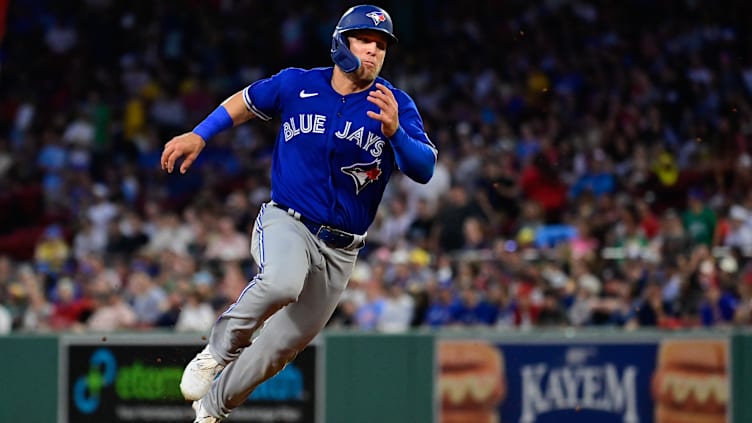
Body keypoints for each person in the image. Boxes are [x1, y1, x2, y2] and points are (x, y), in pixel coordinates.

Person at [160, 5, 436, 422]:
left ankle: (211, 412)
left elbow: (425, 168)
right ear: (341, 42)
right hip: (288, 221)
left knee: (280, 348)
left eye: (381, 45)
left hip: (342, 249)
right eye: (365, 40)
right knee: (280, 282)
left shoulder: (394, 104)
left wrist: (396, 133)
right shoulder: (297, 84)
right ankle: (215, 352)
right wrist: (201, 134)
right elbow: (246, 101)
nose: (375, 51)